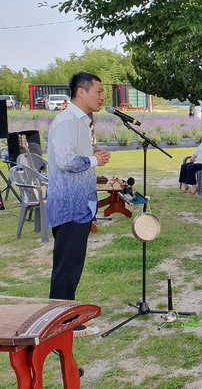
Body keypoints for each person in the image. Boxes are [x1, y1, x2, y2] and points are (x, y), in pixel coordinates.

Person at [47, 72, 111, 318]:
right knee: (66, 268)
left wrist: (91, 154)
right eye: (99, 91)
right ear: (81, 92)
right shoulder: (67, 121)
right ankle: (59, 321)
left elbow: (74, 155)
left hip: (80, 204)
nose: (102, 97)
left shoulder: (81, 121)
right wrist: (95, 159)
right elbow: (64, 161)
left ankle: (63, 317)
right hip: (69, 205)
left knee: (73, 265)